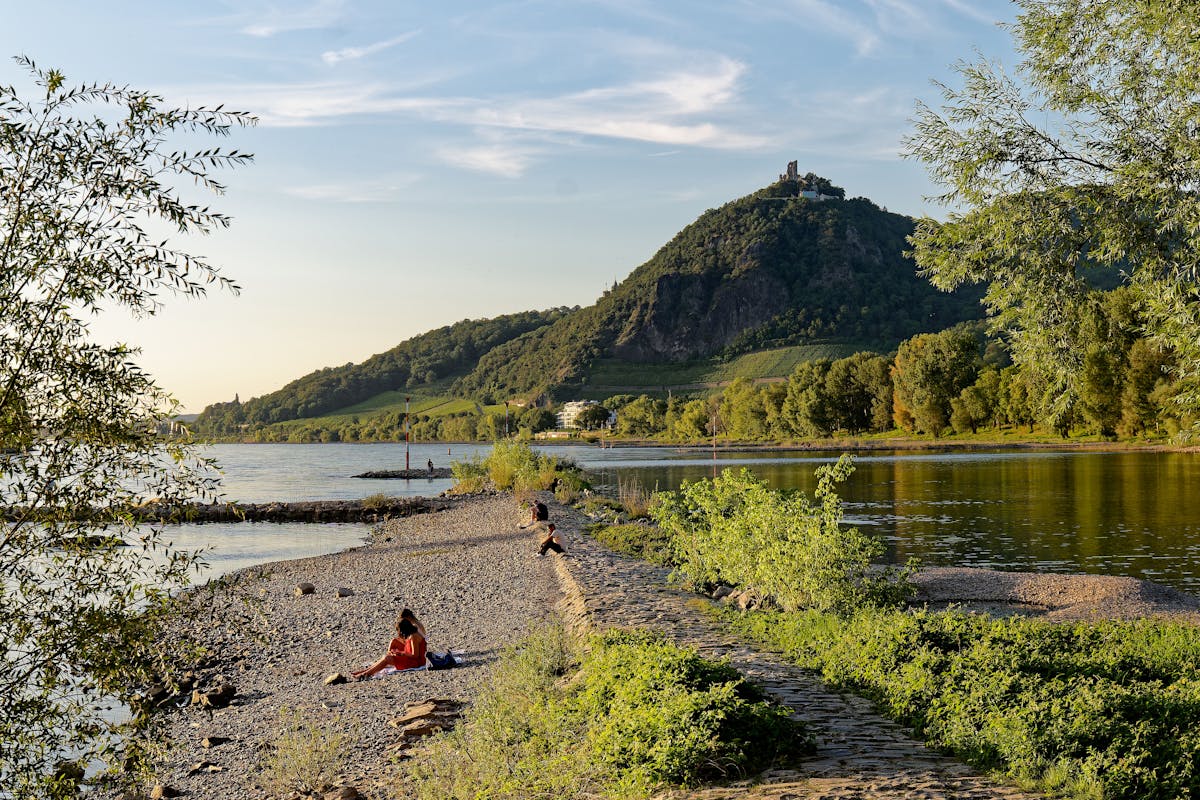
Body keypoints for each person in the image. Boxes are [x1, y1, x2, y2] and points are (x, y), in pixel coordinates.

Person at [352, 616, 427, 680]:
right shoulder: (412, 635)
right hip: (412, 660)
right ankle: (365, 671)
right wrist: (398, 652)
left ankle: (366, 674)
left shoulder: (414, 636)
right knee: (386, 656)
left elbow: (415, 655)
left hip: (415, 663)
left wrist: (401, 653)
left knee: (387, 658)